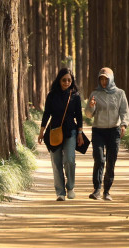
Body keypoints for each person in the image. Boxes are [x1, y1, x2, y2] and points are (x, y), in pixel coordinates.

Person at [37, 67, 85, 201]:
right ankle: (60, 192)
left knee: (69, 160)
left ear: (72, 81)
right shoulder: (52, 95)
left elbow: (79, 116)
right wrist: (41, 132)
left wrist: (80, 133)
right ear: (59, 80)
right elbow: (46, 114)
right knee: (56, 162)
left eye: (69, 80)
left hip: (70, 131)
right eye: (64, 80)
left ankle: (70, 187)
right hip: (54, 132)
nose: (66, 82)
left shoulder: (75, 96)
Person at [85, 66, 129, 200]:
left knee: (111, 160)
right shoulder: (95, 94)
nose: (104, 82)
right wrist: (91, 106)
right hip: (98, 130)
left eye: (106, 79)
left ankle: (107, 191)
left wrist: (123, 125)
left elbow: (124, 111)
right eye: (101, 79)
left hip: (114, 130)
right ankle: (97, 189)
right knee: (99, 158)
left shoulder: (120, 93)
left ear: (111, 79)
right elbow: (88, 115)